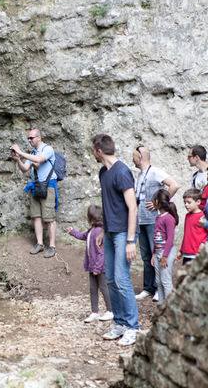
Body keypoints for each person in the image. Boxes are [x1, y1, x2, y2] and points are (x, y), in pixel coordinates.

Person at [91, 133, 139, 346]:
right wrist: (104, 231)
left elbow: (133, 208)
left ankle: (132, 327)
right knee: (110, 279)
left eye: (93, 150)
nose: (93, 153)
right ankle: (119, 323)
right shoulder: (103, 172)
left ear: (99, 151)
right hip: (111, 232)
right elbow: (110, 206)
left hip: (123, 235)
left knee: (121, 279)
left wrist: (130, 240)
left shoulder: (122, 172)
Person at [132, 146, 180, 302]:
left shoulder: (155, 172)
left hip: (154, 220)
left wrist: (160, 204)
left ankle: (159, 289)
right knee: (147, 256)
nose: (132, 159)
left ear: (140, 156)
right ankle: (148, 288)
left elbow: (174, 185)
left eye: (134, 156)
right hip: (141, 220)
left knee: (158, 254)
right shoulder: (139, 175)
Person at [10, 129, 58, 258]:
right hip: (35, 186)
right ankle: (40, 244)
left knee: (49, 218)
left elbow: (39, 159)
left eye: (31, 138)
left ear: (39, 137)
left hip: (48, 186)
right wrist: (18, 159)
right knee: (36, 216)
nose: (29, 140)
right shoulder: (32, 153)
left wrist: (20, 152)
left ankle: (52, 246)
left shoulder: (47, 149)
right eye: (28, 138)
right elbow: (25, 169)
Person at [66, 205, 113, 323]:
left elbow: (102, 253)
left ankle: (110, 311)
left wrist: (97, 268)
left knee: (103, 287)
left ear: (91, 217)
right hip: (92, 266)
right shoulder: (92, 230)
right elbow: (83, 236)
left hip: (100, 267)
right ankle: (94, 312)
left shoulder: (99, 232)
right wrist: (72, 232)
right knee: (93, 288)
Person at [150, 189, 178, 305]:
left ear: (158, 202)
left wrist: (165, 256)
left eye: (153, 201)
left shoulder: (169, 218)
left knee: (166, 281)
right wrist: (153, 254)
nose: (152, 203)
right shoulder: (158, 217)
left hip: (166, 253)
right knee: (158, 281)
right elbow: (156, 238)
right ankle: (161, 308)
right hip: (158, 253)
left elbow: (170, 239)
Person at [177, 188, 208, 265]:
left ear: (198, 202)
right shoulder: (187, 216)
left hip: (198, 255)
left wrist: (204, 243)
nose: (186, 205)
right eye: (185, 202)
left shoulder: (203, 217)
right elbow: (186, 234)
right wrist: (181, 250)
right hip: (186, 254)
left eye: (189, 202)